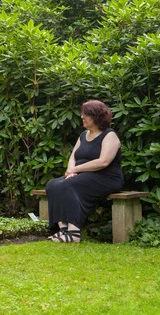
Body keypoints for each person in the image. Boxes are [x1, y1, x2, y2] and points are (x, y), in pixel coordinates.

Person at [45, 100, 124, 243]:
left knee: (68, 185)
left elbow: (103, 162)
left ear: (97, 117)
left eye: (86, 114)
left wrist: (76, 169)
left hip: (106, 177)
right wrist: (70, 170)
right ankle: (63, 229)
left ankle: (74, 232)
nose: (82, 117)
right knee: (53, 184)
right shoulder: (84, 135)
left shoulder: (109, 135)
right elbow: (73, 156)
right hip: (82, 175)